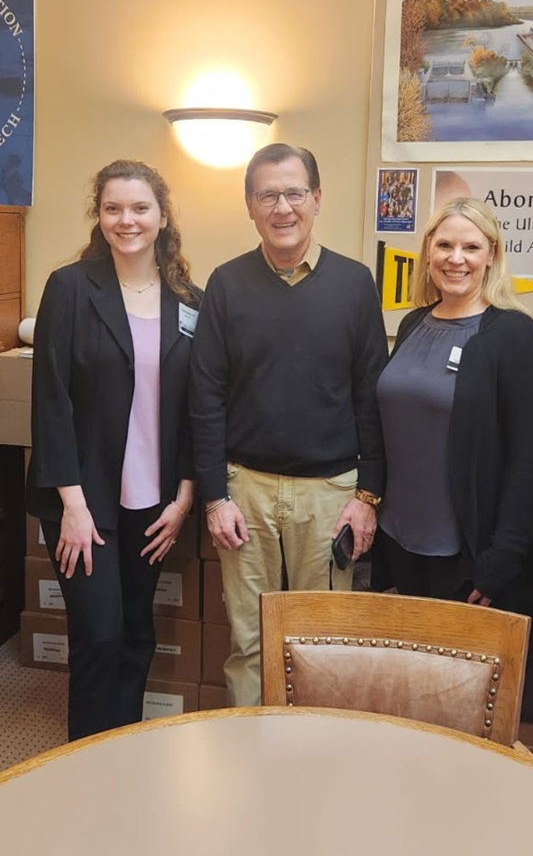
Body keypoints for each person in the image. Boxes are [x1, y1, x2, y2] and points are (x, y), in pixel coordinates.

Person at [190, 143, 387, 706]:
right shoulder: (225, 284)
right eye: (268, 195)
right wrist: (213, 497)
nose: (283, 207)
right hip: (244, 493)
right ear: (250, 205)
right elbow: (205, 397)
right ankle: (254, 763)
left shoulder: (354, 284)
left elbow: (370, 395)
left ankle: (314, 769)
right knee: (249, 642)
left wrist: (368, 496)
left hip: (329, 496)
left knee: (321, 642)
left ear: (317, 199)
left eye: (294, 192)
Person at [27, 160, 201, 740]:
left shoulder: (190, 300)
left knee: (135, 633)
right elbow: (50, 400)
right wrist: (72, 505)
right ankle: (85, 764)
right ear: (98, 216)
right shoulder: (71, 289)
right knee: (98, 634)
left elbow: (198, 407)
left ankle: (121, 752)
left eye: (139, 208)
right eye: (113, 208)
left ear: (162, 215)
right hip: (86, 499)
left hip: (155, 502)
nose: (126, 220)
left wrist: (183, 499)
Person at [373, 198, 533, 639]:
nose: (456, 259)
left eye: (470, 247)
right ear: (427, 251)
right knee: (410, 688)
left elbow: (528, 461)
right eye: (445, 245)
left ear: (491, 255)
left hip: (468, 559)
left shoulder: (514, 335)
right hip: (401, 544)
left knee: (462, 701)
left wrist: (500, 562)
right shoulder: (414, 323)